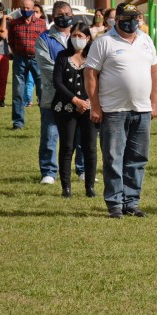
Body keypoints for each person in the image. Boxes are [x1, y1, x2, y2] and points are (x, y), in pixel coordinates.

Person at [85, 2, 157, 218]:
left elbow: (154, 73)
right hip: (113, 110)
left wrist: (154, 103)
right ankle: (115, 203)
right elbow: (90, 75)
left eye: (135, 18)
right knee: (113, 157)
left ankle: (131, 202)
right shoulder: (104, 42)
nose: (133, 22)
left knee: (137, 158)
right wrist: (95, 106)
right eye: (128, 18)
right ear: (117, 20)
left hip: (142, 110)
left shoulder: (146, 40)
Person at [52, 22, 97, 198]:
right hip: (66, 107)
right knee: (67, 146)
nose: (77, 39)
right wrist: (75, 100)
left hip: (89, 107)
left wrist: (88, 101)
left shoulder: (94, 56)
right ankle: (66, 187)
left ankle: (90, 187)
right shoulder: (63, 56)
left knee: (90, 147)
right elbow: (57, 82)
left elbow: (99, 80)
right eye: (74, 35)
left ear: (88, 38)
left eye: (81, 36)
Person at [35, 1, 75, 185]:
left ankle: (82, 169)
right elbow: (46, 67)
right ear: (53, 16)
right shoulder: (44, 39)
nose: (63, 16)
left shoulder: (80, 35)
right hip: (53, 94)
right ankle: (49, 172)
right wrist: (71, 78)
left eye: (67, 13)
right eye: (60, 14)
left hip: (78, 95)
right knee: (50, 133)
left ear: (72, 15)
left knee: (80, 134)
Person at [8, 0, 46, 130]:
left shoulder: (41, 23)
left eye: (28, 8)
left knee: (42, 90)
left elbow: (44, 42)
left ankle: (45, 120)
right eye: (23, 7)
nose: (26, 10)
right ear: (20, 7)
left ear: (33, 8)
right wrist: (17, 54)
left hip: (37, 59)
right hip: (20, 59)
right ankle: (18, 122)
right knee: (18, 91)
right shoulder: (13, 23)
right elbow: (11, 42)